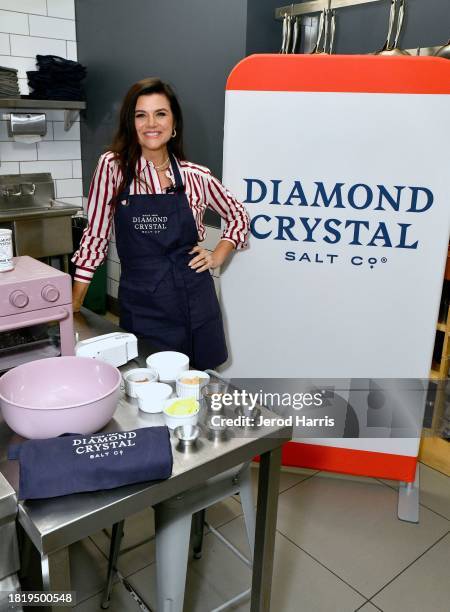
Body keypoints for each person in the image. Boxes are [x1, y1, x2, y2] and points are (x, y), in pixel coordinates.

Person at [72, 77, 249, 370]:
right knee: (147, 377)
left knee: (195, 382)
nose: (151, 123)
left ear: (174, 121)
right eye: (141, 115)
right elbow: (96, 236)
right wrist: (75, 304)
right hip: (144, 303)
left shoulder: (195, 175)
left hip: (195, 299)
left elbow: (238, 214)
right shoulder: (113, 167)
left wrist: (218, 254)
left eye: (160, 113)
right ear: (131, 123)